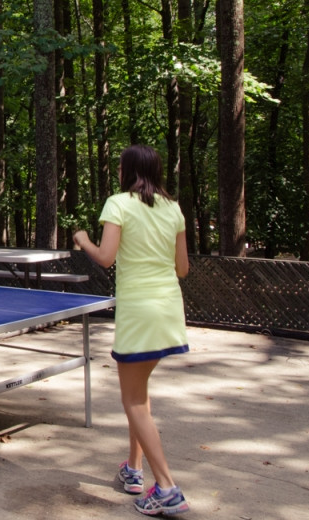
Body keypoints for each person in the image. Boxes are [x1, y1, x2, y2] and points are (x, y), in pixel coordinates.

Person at [73, 145, 190, 516]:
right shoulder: (174, 209)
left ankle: (168, 488)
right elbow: (183, 268)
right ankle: (133, 470)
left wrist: (82, 239)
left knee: (133, 402)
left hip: (139, 313)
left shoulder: (118, 203)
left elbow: (106, 257)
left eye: (121, 165)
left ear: (129, 171)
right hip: (169, 311)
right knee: (140, 395)